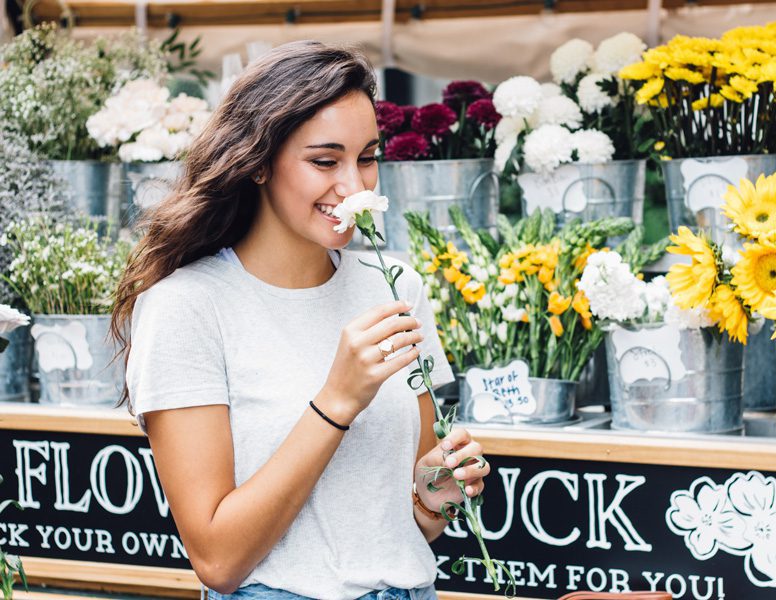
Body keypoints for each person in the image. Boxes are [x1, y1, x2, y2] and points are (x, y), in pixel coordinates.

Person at [110, 40, 491, 600]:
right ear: (258, 162)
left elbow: (405, 528)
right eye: (324, 161)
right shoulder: (186, 307)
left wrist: (434, 495)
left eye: (367, 158)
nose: (355, 187)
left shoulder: (394, 287)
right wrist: (336, 400)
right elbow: (217, 560)